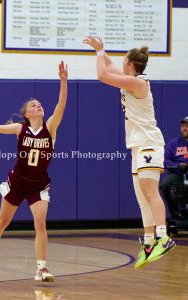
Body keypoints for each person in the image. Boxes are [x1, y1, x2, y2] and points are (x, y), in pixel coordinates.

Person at [0, 61, 68, 281]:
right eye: (33, 105)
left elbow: (61, 105)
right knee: (3, 222)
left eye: (39, 103)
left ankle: (41, 269)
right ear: (27, 114)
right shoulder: (19, 128)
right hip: (18, 181)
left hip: (39, 183)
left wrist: (63, 81)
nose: (37, 105)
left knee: (40, 224)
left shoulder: (50, 128)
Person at [83, 36, 176, 270]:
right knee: (142, 197)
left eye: (124, 61)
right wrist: (101, 51)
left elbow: (103, 75)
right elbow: (111, 68)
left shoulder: (140, 83)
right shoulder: (130, 80)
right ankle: (148, 243)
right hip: (137, 146)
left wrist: (99, 52)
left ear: (131, 65)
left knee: (149, 191)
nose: (121, 64)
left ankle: (163, 237)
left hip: (149, 144)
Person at [160, 116, 188, 217]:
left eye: (187, 126)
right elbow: (166, 161)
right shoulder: (173, 143)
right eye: (183, 126)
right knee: (165, 185)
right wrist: (177, 166)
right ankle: (176, 214)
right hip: (177, 174)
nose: (185, 128)